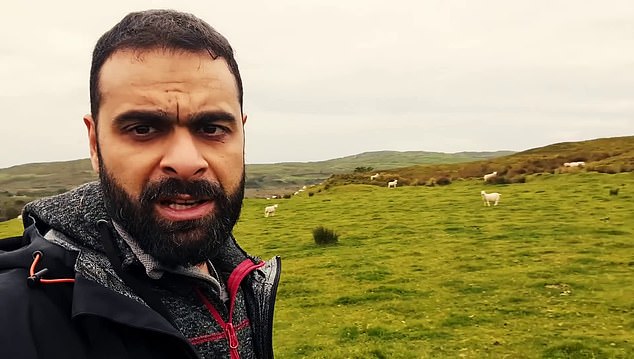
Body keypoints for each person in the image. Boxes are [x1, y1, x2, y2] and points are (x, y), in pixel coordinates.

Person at [0, 9, 281, 359]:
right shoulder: (18, 315)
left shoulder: (241, 279)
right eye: (143, 129)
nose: (185, 162)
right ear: (94, 143)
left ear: (241, 133)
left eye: (212, 128)